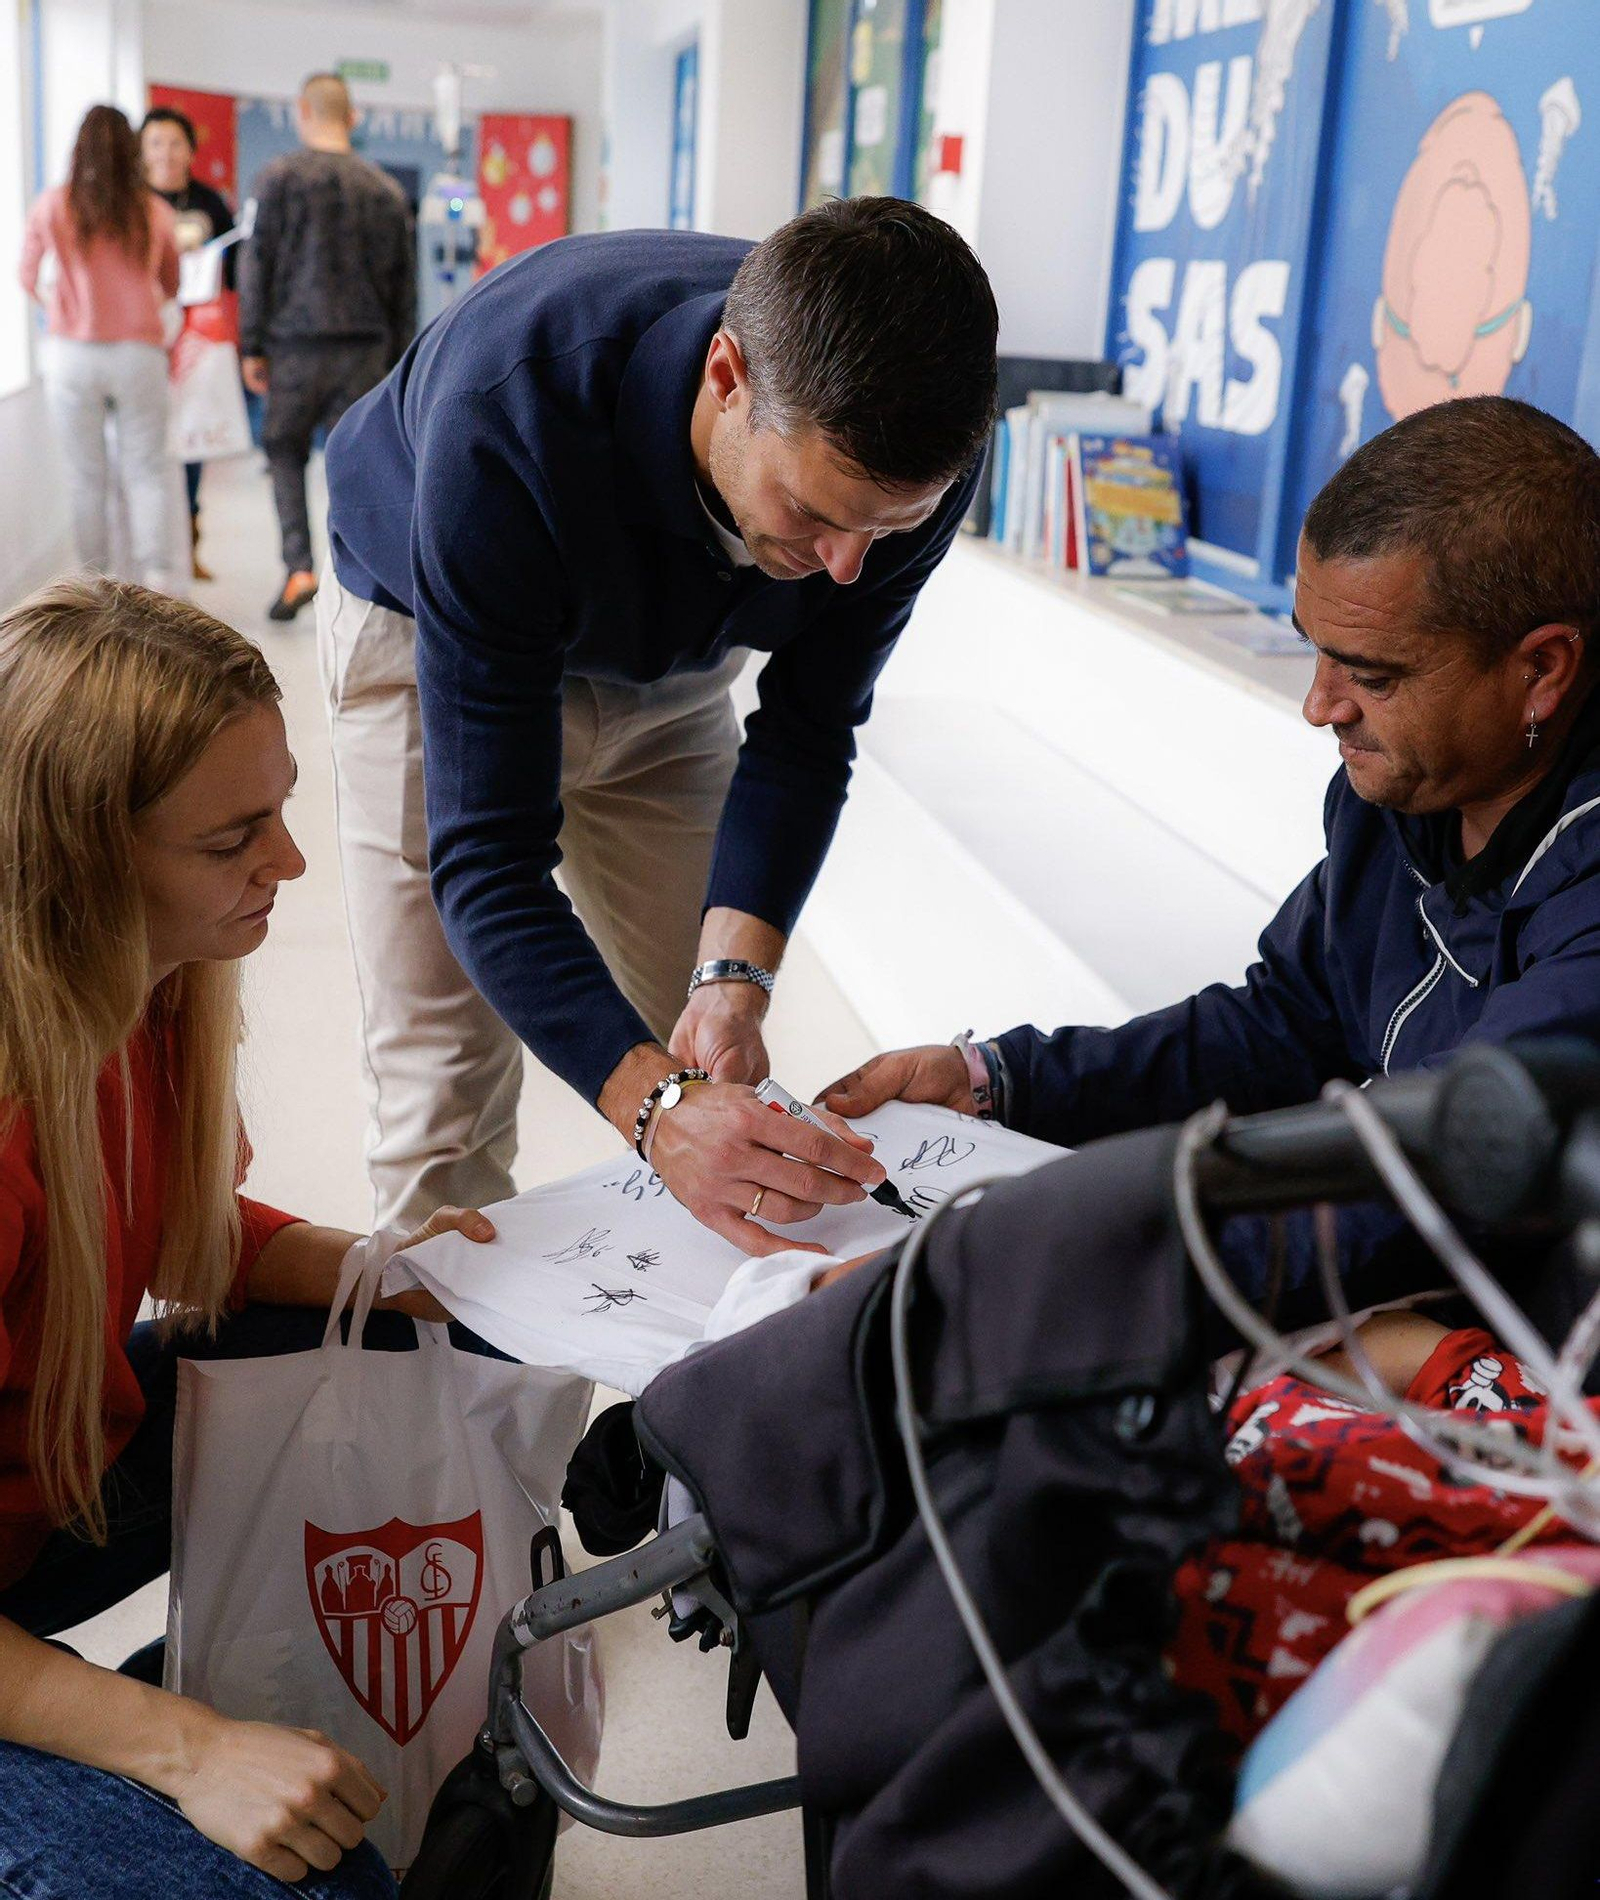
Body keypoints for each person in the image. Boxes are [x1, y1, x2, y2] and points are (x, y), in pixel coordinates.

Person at [320, 198, 999, 1246]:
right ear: (726, 380)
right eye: (814, 513)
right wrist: (649, 1109)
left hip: (673, 664)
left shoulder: (905, 471)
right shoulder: (510, 409)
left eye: (885, 529)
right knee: (442, 1099)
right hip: (429, 633)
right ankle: (440, 1397)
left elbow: (809, 730)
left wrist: (735, 980)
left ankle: (689, 1384)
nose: (847, 568)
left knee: (714, 1064)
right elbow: (487, 858)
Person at [821, 396, 1600, 1296]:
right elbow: (1283, 1023)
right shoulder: (1396, 795)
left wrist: (1005, 1278)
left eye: (1373, 675)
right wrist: (1000, 1081)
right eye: (1314, 652)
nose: (1321, 705)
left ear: (1541, 669)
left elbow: (1444, 1165)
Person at [0, 576, 493, 1898]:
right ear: (77, 858)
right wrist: (184, 1749)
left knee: (398, 1345)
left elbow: (171, 1225)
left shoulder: (139, 992)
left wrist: (399, 1270)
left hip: (37, 1487)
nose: (289, 861)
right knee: (306, 1877)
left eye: (280, 807)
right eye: (233, 840)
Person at [237, 73, 414, 624]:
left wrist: (252, 343)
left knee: (285, 452)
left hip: (293, 348)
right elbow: (403, 288)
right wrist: (402, 363)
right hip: (365, 352)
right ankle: (355, 583)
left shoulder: (277, 179)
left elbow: (256, 265)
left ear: (301, 111)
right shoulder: (383, 190)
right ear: (353, 117)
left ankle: (299, 567)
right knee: (355, 464)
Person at [19, 105, 180, 595]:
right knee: (147, 471)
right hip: (138, 353)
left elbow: (27, 276)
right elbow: (171, 283)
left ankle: (95, 586)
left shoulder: (53, 205)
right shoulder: (154, 211)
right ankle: (157, 583)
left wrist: (59, 303)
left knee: (85, 478)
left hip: (73, 353)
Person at [140, 104, 236, 583]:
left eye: (176, 142)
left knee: (193, 439)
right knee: (148, 444)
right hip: (144, 335)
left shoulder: (210, 202)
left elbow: (234, 268)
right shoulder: (132, 202)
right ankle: (151, 548)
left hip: (198, 336)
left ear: (190, 150)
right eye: (156, 142)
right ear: (141, 150)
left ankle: (189, 542)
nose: (166, 153)